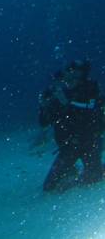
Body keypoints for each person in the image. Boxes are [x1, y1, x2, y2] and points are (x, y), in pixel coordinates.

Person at [38, 59, 104, 192]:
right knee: (49, 187)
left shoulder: (91, 89)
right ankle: (70, 169)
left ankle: (95, 167)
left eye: (75, 75)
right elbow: (44, 123)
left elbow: (92, 115)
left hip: (90, 142)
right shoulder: (58, 94)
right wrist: (43, 107)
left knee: (93, 178)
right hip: (68, 146)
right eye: (68, 75)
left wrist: (67, 104)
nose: (71, 80)